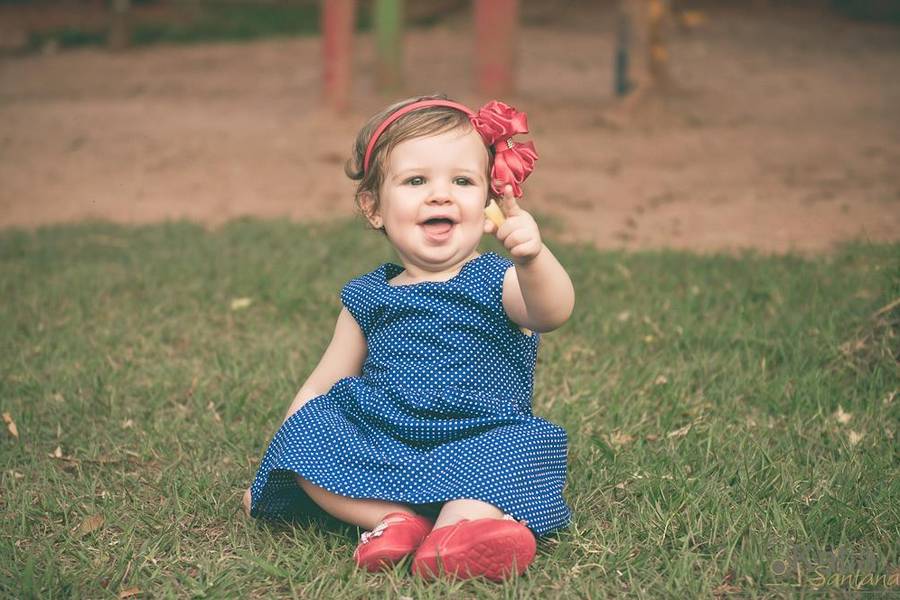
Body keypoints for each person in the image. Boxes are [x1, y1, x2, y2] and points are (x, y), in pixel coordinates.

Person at [243, 94, 575, 582]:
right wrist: (284, 454)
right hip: (384, 437)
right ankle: (392, 520)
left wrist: (534, 259)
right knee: (309, 434)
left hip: (478, 437)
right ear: (373, 208)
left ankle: (460, 530)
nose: (440, 195)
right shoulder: (368, 296)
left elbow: (552, 312)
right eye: (416, 181)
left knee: (516, 451)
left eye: (461, 181)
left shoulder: (501, 280)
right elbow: (320, 386)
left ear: (486, 204)